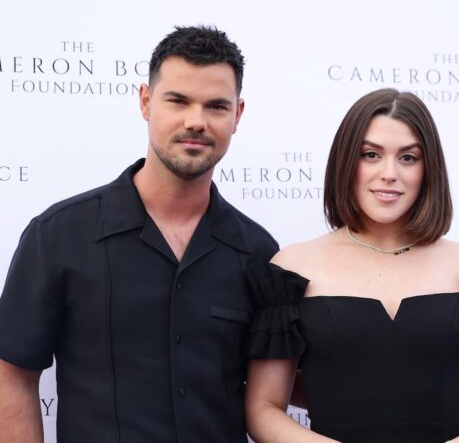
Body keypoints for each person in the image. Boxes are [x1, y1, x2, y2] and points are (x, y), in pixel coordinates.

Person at [0, 26, 279, 443]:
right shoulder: (58, 236)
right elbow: (13, 375)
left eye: (216, 106)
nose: (196, 121)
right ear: (146, 102)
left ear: (237, 115)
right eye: (178, 101)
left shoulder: (259, 254)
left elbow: (273, 393)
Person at [244, 88, 459, 443]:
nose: (389, 173)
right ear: (345, 162)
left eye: (408, 158)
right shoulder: (292, 268)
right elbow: (263, 408)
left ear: (428, 169)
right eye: (370, 154)